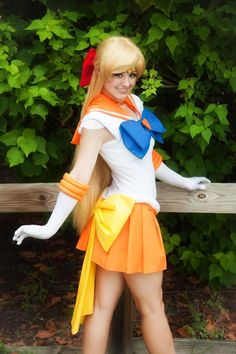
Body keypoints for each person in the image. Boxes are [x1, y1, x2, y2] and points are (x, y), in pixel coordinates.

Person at [13, 36, 210, 354]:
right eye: (118, 74)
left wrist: (184, 182)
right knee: (151, 308)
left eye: (132, 74)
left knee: (103, 307)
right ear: (101, 73)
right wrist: (49, 228)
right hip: (131, 218)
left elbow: (147, 158)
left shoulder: (133, 106)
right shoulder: (96, 119)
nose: (126, 82)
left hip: (113, 220)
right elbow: (79, 176)